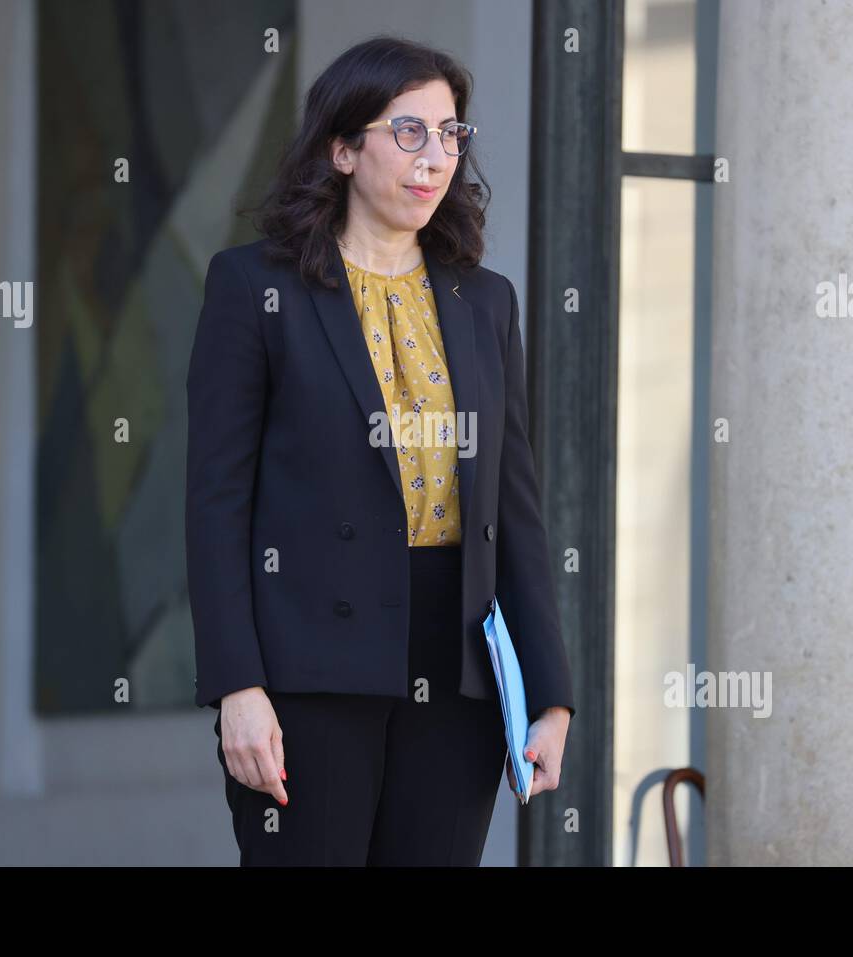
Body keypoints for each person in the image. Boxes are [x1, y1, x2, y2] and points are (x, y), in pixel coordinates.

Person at [185, 35, 575, 866]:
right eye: (409, 132)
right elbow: (215, 504)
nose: (436, 156)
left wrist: (551, 695)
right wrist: (236, 687)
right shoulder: (254, 289)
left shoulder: (486, 302)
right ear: (342, 148)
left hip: (458, 678)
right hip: (305, 675)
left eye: (451, 134)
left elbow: (515, 506)